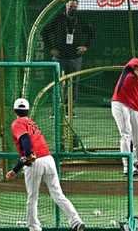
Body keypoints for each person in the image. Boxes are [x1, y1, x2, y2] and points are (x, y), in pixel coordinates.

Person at [6, 98, 85, 231]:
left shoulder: (17, 123)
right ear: (28, 110)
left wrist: (28, 155)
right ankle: (76, 221)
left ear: (14, 110)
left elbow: (25, 140)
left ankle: (34, 228)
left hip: (35, 161)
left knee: (32, 197)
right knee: (58, 194)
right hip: (48, 159)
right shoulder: (31, 122)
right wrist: (16, 169)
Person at [42, 0, 94, 104]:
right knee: (58, 83)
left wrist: (86, 46)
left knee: (73, 83)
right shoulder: (58, 19)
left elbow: (91, 33)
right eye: (70, 7)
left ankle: (69, 109)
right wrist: (51, 48)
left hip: (75, 57)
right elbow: (44, 32)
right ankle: (56, 109)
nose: (73, 9)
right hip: (59, 57)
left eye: (75, 7)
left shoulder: (81, 19)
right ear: (66, 6)